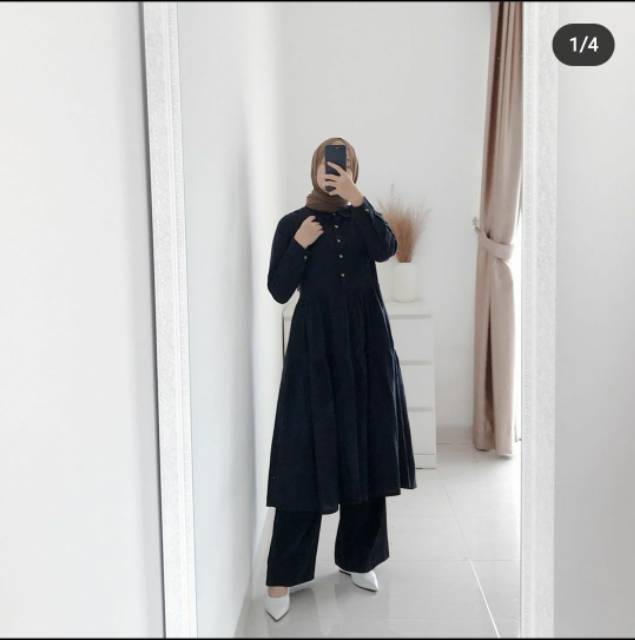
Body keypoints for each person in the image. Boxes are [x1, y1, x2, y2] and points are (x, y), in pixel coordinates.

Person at [264, 136, 417, 621]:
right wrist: (300, 245)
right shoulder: (293, 223)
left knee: (367, 445)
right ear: (314, 168)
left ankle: (359, 557)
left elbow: (387, 248)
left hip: (367, 347)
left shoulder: (364, 219)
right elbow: (279, 289)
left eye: (344, 165)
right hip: (316, 350)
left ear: (353, 171)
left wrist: (359, 200)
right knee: (304, 453)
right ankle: (282, 575)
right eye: (328, 164)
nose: (334, 171)